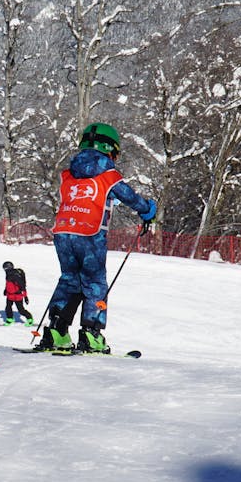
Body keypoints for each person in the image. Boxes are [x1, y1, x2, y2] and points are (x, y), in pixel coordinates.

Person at [38, 122, 156, 354]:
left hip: (63, 232)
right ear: (110, 149)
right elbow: (128, 196)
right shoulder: (108, 174)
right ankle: (91, 334)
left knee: (70, 279)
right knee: (94, 282)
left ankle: (56, 331)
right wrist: (146, 209)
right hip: (90, 234)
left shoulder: (68, 173)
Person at [1, 261, 34, 326]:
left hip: (17, 296)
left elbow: (22, 287)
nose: (4, 270)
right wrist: (6, 290)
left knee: (21, 310)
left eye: (5, 268)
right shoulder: (8, 275)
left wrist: (25, 297)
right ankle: (10, 319)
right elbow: (9, 284)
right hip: (10, 295)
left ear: (9, 268)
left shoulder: (15, 276)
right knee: (8, 308)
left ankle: (29, 318)